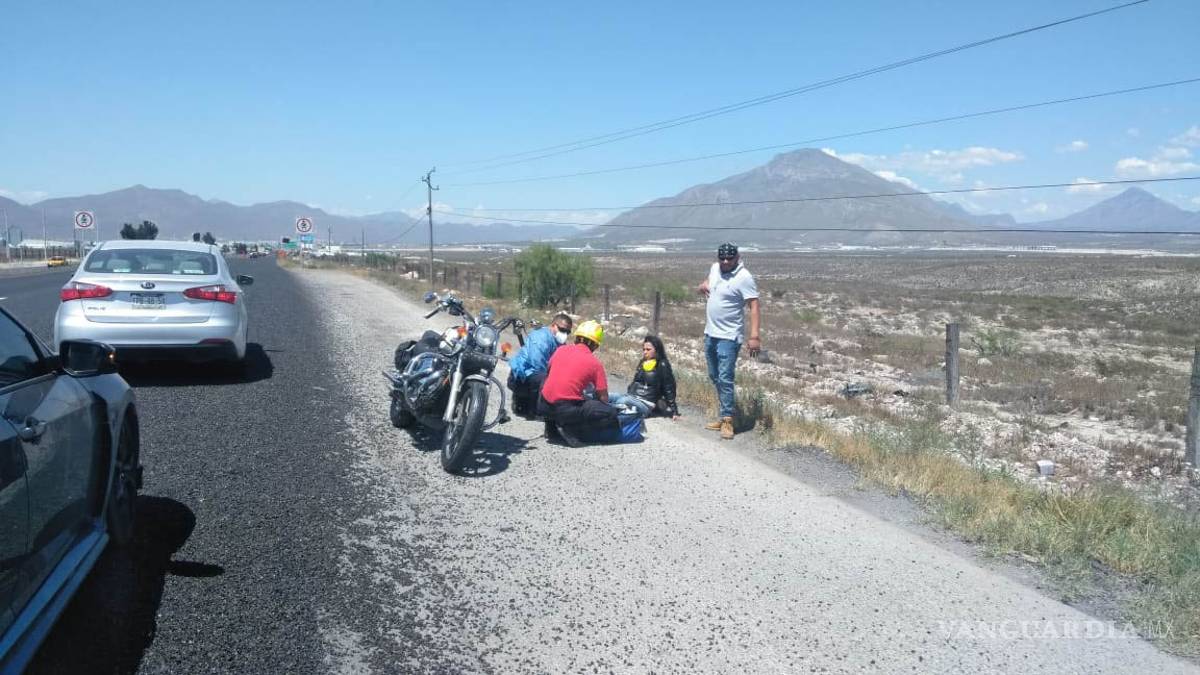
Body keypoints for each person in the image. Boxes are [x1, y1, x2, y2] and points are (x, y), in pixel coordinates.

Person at [697, 242, 761, 440]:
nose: (725, 262)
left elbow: (754, 306)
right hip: (711, 333)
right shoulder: (715, 268)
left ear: (737, 258)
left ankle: (727, 420)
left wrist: (754, 336)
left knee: (725, 377)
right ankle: (724, 412)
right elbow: (710, 280)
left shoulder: (744, 277)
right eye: (722, 258)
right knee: (714, 375)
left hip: (729, 336)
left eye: (729, 258)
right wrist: (704, 284)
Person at [537, 319, 620, 447]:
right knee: (609, 413)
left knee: (547, 380)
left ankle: (551, 426)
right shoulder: (595, 364)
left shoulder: (560, 350)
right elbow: (603, 398)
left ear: (577, 338)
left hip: (544, 405)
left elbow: (549, 372)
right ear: (595, 345)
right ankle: (571, 429)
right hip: (565, 410)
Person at [507, 313, 573, 418]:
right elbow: (537, 363)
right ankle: (534, 410)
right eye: (562, 329)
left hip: (535, 375)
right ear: (553, 325)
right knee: (544, 379)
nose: (564, 334)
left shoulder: (558, 341)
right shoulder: (541, 337)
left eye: (567, 332)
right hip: (522, 376)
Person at [609, 335, 680, 420]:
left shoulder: (662, 364)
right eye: (644, 349)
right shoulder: (643, 362)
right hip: (631, 397)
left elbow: (669, 387)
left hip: (645, 404)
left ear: (657, 350)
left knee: (621, 402)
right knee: (609, 396)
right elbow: (636, 381)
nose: (645, 352)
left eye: (648, 349)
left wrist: (674, 411)